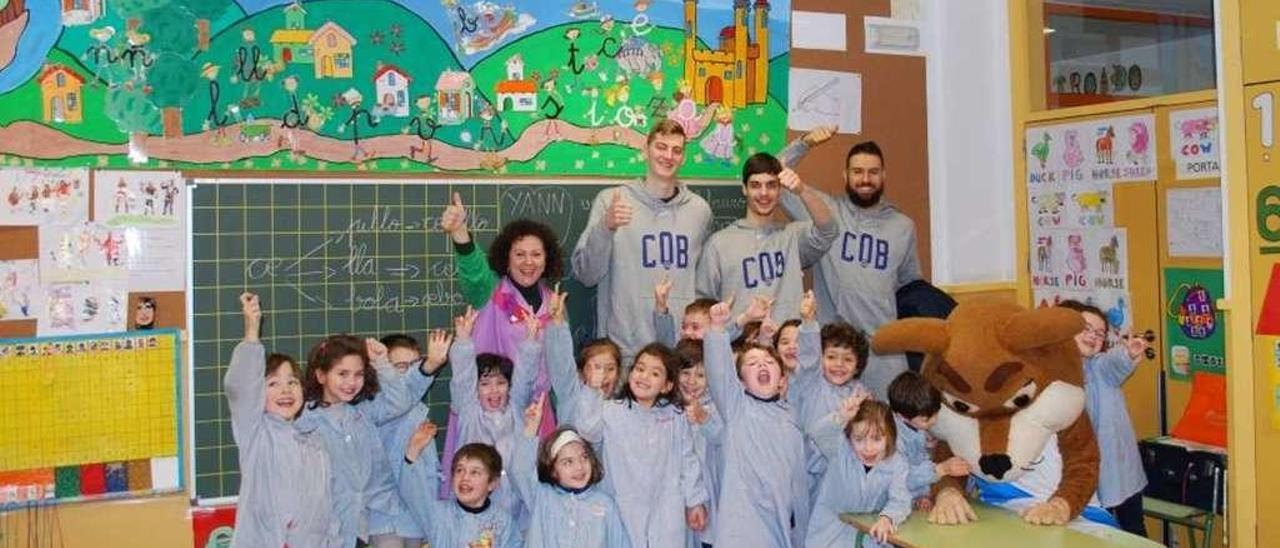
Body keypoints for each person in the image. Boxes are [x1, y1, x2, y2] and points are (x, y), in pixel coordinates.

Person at [549, 290, 710, 547]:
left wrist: (695, 501)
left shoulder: (675, 416)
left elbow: (687, 461)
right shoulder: (613, 410)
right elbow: (588, 431)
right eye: (640, 368)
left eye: (655, 373)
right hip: (623, 510)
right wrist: (591, 390)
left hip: (667, 512)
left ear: (668, 385)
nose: (644, 377)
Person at [780, 127, 923, 398]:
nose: (865, 179)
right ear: (845, 175)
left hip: (884, 351)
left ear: (883, 176)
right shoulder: (824, 211)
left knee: (888, 428)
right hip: (835, 351)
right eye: (857, 172)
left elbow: (909, 285)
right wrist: (805, 143)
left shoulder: (903, 227)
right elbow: (772, 173)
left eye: (873, 172)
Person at [439, 201, 562, 493]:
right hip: (485, 413)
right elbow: (474, 272)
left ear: (547, 260)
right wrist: (460, 233)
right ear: (506, 259)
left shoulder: (554, 303)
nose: (528, 262)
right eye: (519, 254)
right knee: (481, 491)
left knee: (532, 492)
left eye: (536, 254)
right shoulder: (493, 292)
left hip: (534, 413)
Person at [573, 119, 713, 362]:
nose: (668, 156)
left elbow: (703, 285)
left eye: (676, 150)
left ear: (683, 158)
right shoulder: (611, 201)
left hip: (681, 354)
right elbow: (586, 275)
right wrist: (605, 227)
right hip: (625, 354)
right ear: (645, 150)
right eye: (661, 147)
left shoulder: (700, 211)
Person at [297, 331, 433, 546]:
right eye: (342, 373)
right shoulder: (305, 421)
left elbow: (399, 402)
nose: (351, 382)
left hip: (359, 527)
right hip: (323, 531)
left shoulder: (362, 413)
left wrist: (381, 362)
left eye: (358, 374)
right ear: (321, 375)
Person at [225, 292, 339, 547]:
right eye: (273, 383)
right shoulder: (255, 432)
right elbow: (242, 388)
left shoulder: (314, 441)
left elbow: (325, 505)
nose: (285, 390)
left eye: (292, 382)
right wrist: (251, 332)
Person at [703, 296, 808, 547]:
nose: (762, 364)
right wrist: (718, 327)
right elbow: (719, 369)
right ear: (739, 381)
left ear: (782, 378)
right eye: (752, 363)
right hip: (741, 530)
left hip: (781, 527)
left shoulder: (792, 416)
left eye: (770, 362)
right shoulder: (736, 407)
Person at [696, 153, 836, 321]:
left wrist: (802, 190)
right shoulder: (719, 244)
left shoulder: (792, 237)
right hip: (738, 344)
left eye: (771, 185)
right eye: (755, 185)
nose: (764, 193)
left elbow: (828, 230)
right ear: (744, 188)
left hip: (786, 344)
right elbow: (702, 306)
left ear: (780, 190)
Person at [1058, 300, 1150, 536]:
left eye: (1099, 333)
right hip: (1075, 473)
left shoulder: (1097, 367)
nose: (1093, 337)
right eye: (1086, 328)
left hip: (1117, 472)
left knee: (1132, 531)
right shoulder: (1052, 371)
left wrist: (1128, 353)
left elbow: (1115, 363)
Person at [448, 307, 542, 527]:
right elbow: (462, 378)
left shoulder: (517, 409)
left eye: (501, 383)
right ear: (475, 388)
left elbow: (526, 376)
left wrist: (531, 339)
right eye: (485, 384)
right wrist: (463, 341)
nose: (494, 391)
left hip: (516, 513)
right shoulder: (469, 412)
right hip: (474, 514)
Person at [514, 395, 633, 547]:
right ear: (552, 470)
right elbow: (519, 470)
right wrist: (531, 428)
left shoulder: (605, 504)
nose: (579, 467)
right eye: (567, 462)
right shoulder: (542, 497)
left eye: (584, 457)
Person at [805, 394, 912, 547]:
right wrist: (841, 417)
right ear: (849, 438)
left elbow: (900, 500)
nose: (868, 448)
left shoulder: (897, 464)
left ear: (890, 438)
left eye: (876, 439)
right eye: (859, 439)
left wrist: (887, 518)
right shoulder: (840, 451)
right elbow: (818, 433)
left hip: (870, 537)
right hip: (830, 537)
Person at [376, 332, 451, 547]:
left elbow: (424, 476)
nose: (409, 374)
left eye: (414, 365)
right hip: (387, 517)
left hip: (417, 515)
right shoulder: (380, 412)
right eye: (400, 367)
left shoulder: (419, 413)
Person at [399, 424, 520, 548]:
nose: (465, 477)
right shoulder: (438, 514)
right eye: (459, 470)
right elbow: (413, 491)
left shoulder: (504, 523)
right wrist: (413, 451)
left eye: (475, 472)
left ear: (492, 483)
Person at [886, 371, 970, 508]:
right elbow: (898, 479)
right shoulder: (890, 438)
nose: (934, 421)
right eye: (926, 419)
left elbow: (920, 460)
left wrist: (922, 494)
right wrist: (941, 469)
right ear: (902, 416)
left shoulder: (914, 425)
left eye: (936, 413)